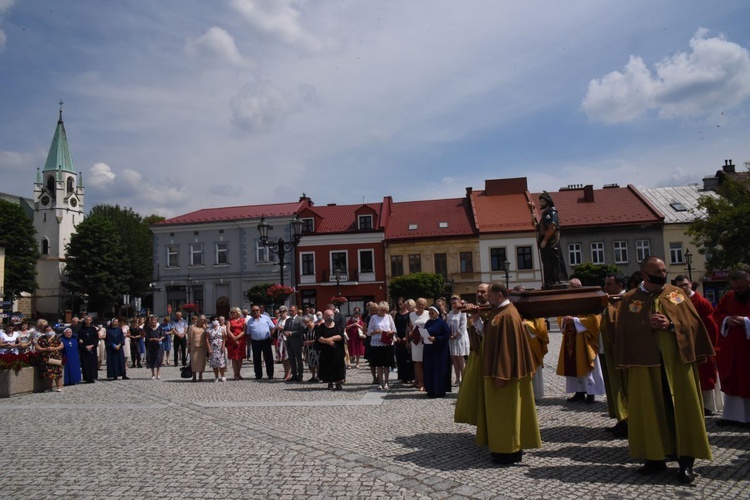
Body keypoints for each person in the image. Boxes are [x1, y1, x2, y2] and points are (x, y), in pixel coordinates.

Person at [616, 256, 714, 483]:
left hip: (676, 364)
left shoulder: (675, 294)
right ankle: (655, 457)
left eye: (663, 270)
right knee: (650, 409)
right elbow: (624, 331)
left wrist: (670, 325)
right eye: (657, 271)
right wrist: (645, 324)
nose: (662, 274)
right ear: (644, 274)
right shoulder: (631, 299)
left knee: (683, 409)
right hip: (645, 365)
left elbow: (693, 324)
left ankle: (686, 461)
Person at [474, 282, 540, 465]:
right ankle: (502, 448)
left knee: (507, 412)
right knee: (500, 413)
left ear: (499, 295)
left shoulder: (509, 315)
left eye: (490, 295)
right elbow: (489, 337)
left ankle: (510, 450)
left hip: (506, 375)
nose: (487, 298)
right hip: (494, 370)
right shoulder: (498, 313)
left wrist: (502, 374)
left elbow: (508, 349)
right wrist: (477, 320)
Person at [674, 274, 722, 416]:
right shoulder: (677, 300)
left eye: (685, 285)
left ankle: (708, 405)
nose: (683, 288)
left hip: (702, 344)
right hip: (686, 344)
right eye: (680, 286)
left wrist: (711, 345)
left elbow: (711, 324)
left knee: (705, 375)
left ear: (690, 284)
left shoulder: (701, 301)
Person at [556, 278, 604, 404]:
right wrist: (564, 321)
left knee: (587, 365)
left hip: (584, 338)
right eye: (572, 287)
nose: (575, 290)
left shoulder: (588, 300)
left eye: (577, 287)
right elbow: (560, 315)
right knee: (573, 366)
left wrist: (575, 320)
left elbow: (595, 320)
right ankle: (579, 392)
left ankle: (591, 393)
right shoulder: (566, 301)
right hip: (570, 338)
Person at [714, 269, 750, 427]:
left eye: (742, 287)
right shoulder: (728, 296)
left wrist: (746, 321)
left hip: (747, 348)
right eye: (736, 288)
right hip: (732, 348)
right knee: (734, 379)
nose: (739, 291)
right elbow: (717, 314)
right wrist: (727, 319)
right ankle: (732, 416)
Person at [455, 283, 489, 426]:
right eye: (478, 291)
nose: (479, 294)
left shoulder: (490, 310)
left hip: (486, 354)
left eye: (483, 292)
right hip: (475, 353)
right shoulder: (475, 309)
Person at [600, 274, 628, 437]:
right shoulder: (610, 300)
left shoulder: (623, 301)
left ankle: (628, 420)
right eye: (606, 284)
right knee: (614, 387)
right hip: (607, 350)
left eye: (609, 284)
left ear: (619, 285)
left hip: (618, 351)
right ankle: (621, 419)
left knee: (622, 386)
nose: (606, 287)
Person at [531, 191, 568, 288]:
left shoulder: (552, 212)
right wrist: (533, 220)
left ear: (548, 201)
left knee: (552, 260)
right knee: (546, 262)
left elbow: (552, 227)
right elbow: (539, 228)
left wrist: (545, 240)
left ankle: (556, 279)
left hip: (550, 242)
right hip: (545, 241)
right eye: (540, 201)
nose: (541, 203)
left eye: (542, 201)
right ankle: (549, 280)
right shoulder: (544, 214)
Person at [423, 306, 452, 397]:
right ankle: (430, 389)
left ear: (437, 313)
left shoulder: (442, 323)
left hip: (439, 351)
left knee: (438, 370)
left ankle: (439, 390)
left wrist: (435, 339)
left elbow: (446, 335)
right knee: (429, 369)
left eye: (432, 313)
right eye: (429, 314)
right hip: (429, 349)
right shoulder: (428, 323)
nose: (430, 315)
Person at [367, 301, 397, 390]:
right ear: (379, 310)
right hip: (377, 343)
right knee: (379, 364)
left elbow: (394, 329)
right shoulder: (373, 318)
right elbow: (369, 332)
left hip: (387, 343)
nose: (384, 312)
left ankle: (387, 382)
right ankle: (380, 382)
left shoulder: (389, 317)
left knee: (387, 364)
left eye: (385, 310)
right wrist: (377, 331)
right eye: (382, 310)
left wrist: (390, 332)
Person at [317, 309, 346, 390]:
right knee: (328, 366)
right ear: (325, 317)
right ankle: (330, 382)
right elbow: (319, 337)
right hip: (326, 351)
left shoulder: (337, 326)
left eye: (331, 315)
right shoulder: (322, 326)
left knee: (338, 366)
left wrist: (330, 339)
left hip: (337, 351)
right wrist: (327, 341)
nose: (330, 317)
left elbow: (340, 336)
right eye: (328, 315)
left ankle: (338, 382)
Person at [246, 306, 276, 380]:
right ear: (252, 312)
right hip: (255, 341)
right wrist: (248, 344)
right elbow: (248, 333)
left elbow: (272, 327)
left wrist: (272, 336)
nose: (256, 312)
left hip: (266, 340)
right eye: (254, 311)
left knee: (268, 358)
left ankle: (270, 374)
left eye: (257, 310)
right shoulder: (250, 321)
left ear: (260, 310)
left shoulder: (266, 318)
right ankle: (258, 375)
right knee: (256, 359)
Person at [408, 298, 430, 392]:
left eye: (423, 304)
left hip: (425, 340)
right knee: (417, 362)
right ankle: (419, 381)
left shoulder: (428, 313)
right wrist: (410, 333)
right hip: (416, 341)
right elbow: (410, 327)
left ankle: (425, 383)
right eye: (419, 304)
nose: (421, 306)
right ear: (416, 305)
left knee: (425, 362)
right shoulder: (411, 314)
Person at [447, 295, 469, 386]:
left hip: (460, 338)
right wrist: (449, 334)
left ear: (459, 302)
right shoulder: (450, 313)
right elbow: (447, 324)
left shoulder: (462, 312)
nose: (453, 305)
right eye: (452, 303)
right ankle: (457, 378)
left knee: (460, 358)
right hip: (451, 338)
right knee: (454, 358)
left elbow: (463, 326)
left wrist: (455, 335)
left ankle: (464, 378)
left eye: (455, 303)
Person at [37, 325, 64, 392]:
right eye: (47, 330)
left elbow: (61, 346)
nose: (48, 331)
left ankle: (59, 387)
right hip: (45, 357)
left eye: (49, 329)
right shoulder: (42, 338)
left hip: (55, 357)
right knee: (47, 373)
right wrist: (45, 349)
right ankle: (49, 387)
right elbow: (37, 347)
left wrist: (54, 348)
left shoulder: (56, 337)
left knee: (57, 372)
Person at [393, 299, 414, 384]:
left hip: (407, 338)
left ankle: (410, 376)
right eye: (399, 305)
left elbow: (409, 327)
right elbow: (394, 326)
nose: (401, 306)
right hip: (399, 338)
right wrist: (396, 336)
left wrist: (407, 337)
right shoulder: (397, 314)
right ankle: (402, 377)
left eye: (402, 304)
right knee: (400, 358)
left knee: (408, 358)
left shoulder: (410, 314)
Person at [285, 305, 305, 383]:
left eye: (292, 310)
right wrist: (285, 332)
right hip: (289, 343)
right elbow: (285, 329)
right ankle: (294, 375)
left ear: (296, 311)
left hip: (297, 343)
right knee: (292, 360)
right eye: (290, 310)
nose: (290, 312)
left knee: (299, 360)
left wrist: (292, 333)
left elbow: (302, 331)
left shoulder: (300, 319)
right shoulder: (288, 320)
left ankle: (300, 375)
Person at [226, 307, 247, 381]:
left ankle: (239, 373)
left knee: (240, 358)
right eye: (231, 312)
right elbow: (228, 330)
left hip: (241, 340)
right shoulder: (230, 320)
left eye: (233, 312)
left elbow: (244, 331)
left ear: (237, 312)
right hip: (232, 341)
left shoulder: (243, 320)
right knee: (234, 358)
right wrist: (234, 338)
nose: (232, 314)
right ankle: (235, 374)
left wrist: (238, 337)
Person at [78, 315, 99, 383]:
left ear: (91, 321)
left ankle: (93, 377)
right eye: (87, 320)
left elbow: (96, 338)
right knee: (85, 364)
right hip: (85, 349)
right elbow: (79, 339)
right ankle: (87, 378)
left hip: (92, 348)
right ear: (85, 321)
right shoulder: (81, 329)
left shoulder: (93, 329)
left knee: (92, 363)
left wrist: (92, 345)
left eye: (89, 320)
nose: (88, 321)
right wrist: (85, 346)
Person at [189, 316, 209, 382]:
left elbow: (208, 336)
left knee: (202, 362)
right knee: (194, 362)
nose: (202, 321)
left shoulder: (206, 327)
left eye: (204, 320)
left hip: (202, 347)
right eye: (201, 320)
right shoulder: (192, 327)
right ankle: (194, 376)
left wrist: (205, 326)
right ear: (198, 320)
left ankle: (200, 376)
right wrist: (188, 346)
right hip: (194, 347)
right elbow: (189, 337)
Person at [143, 315, 164, 380]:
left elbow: (163, 335)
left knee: (159, 359)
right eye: (152, 321)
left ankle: (158, 374)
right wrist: (154, 339)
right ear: (151, 321)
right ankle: (153, 374)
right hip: (151, 346)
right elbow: (147, 339)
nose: (153, 322)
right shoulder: (148, 329)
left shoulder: (159, 328)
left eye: (155, 321)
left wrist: (160, 339)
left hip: (158, 346)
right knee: (152, 359)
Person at [275, 306, 292, 381]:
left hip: (287, 340)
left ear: (286, 311)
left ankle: (289, 373)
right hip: (280, 340)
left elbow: (290, 329)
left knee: (287, 357)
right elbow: (276, 328)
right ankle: (285, 373)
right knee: (283, 358)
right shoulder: (279, 319)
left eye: (283, 311)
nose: (282, 313)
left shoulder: (289, 319)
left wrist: (282, 328)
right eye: (280, 312)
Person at [302, 314, 320, 382]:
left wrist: (311, 342)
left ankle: (318, 376)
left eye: (308, 322)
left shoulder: (317, 328)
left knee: (317, 362)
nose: (306, 324)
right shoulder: (306, 329)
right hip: (309, 348)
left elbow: (319, 338)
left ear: (312, 321)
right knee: (311, 363)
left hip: (316, 347)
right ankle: (313, 376)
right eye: (305, 323)